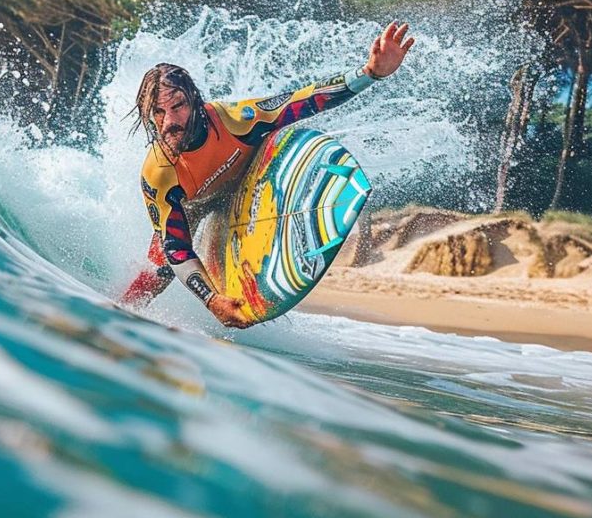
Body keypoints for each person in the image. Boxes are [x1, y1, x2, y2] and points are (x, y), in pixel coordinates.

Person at [121, 21, 415, 328]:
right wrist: (212, 300)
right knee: (162, 269)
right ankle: (121, 315)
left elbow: (306, 100)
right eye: (157, 112)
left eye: (177, 107)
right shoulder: (159, 173)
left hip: (248, 180)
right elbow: (177, 249)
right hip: (194, 206)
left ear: (195, 102)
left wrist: (370, 73)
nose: (169, 120)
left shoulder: (236, 120)